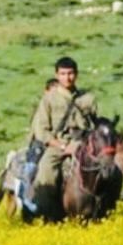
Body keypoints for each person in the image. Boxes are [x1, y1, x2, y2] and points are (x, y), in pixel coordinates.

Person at [30, 57, 98, 215]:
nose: (67, 78)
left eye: (71, 73)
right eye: (63, 74)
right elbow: (42, 130)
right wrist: (63, 146)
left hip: (84, 145)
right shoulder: (48, 99)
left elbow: (95, 126)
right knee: (46, 172)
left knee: (108, 166)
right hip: (58, 146)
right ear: (57, 75)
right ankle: (46, 211)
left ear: (77, 74)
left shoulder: (88, 99)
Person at [16, 78, 60, 212]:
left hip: (59, 144)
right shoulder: (41, 108)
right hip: (40, 144)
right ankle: (27, 199)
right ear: (46, 91)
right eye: (52, 92)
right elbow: (38, 130)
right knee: (30, 170)